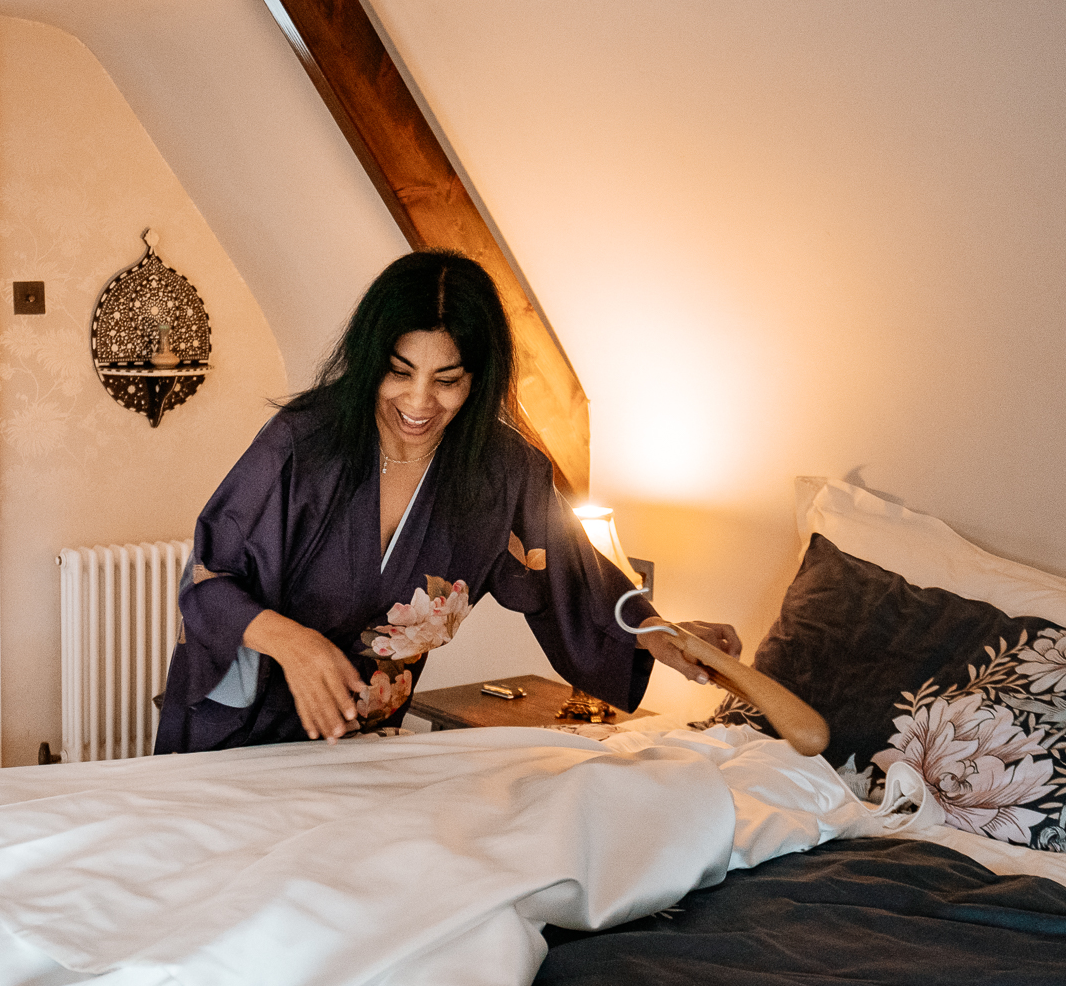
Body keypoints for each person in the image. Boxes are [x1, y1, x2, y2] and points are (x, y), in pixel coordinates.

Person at [154, 250, 740, 754]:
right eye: (399, 372)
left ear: (479, 379)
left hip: (360, 747)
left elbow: (576, 580)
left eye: (447, 379)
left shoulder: (502, 473)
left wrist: (661, 633)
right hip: (231, 732)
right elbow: (209, 578)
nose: (418, 401)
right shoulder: (302, 444)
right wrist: (296, 644)